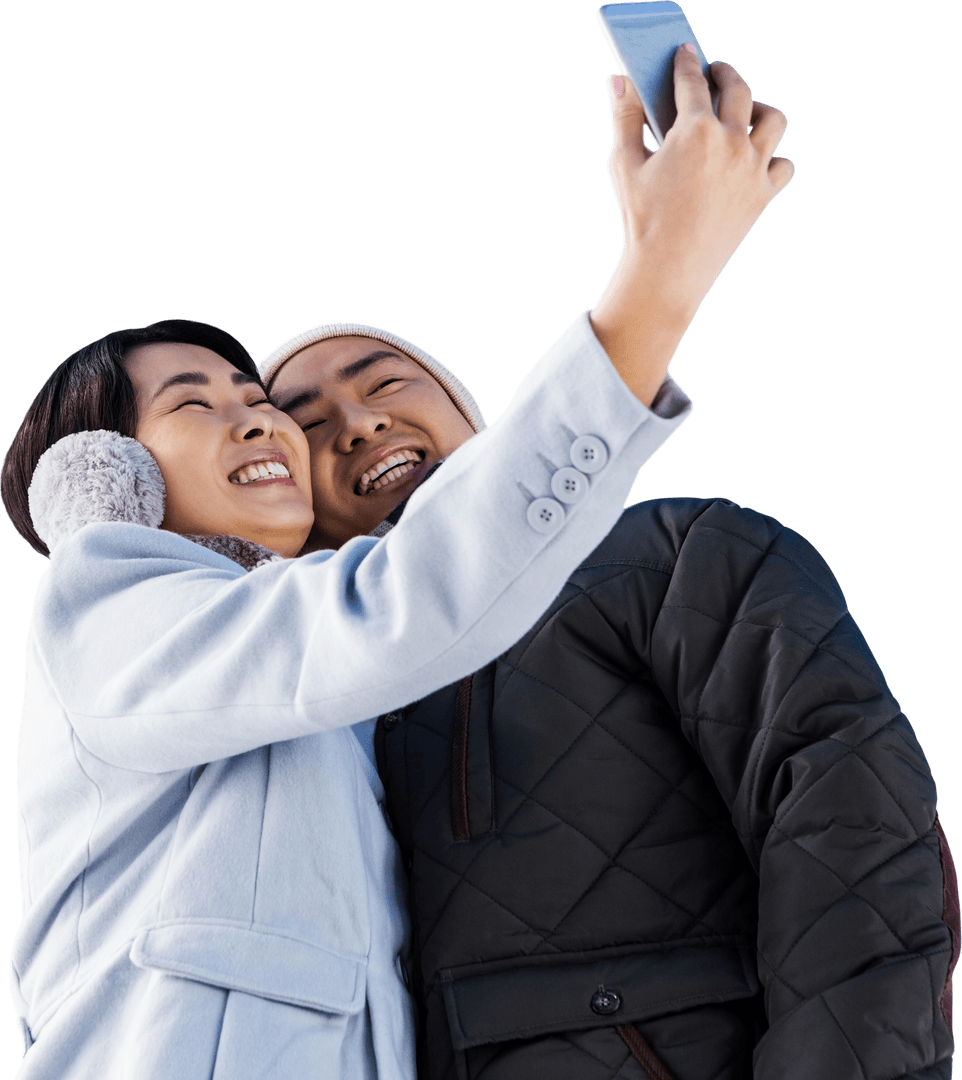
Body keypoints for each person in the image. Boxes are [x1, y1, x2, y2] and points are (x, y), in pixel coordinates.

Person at [2, 47, 794, 1080]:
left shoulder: (322, 697)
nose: (260, 422)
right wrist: (657, 282)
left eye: (256, 402)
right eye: (195, 404)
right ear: (117, 474)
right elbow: (397, 602)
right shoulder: (109, 607)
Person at [259, 96, 958, 1080]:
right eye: (308, 425)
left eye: (383, 385)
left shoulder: (671, 557)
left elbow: (851, 818)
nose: (359, 425)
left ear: (478, 417)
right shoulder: (317, 721)